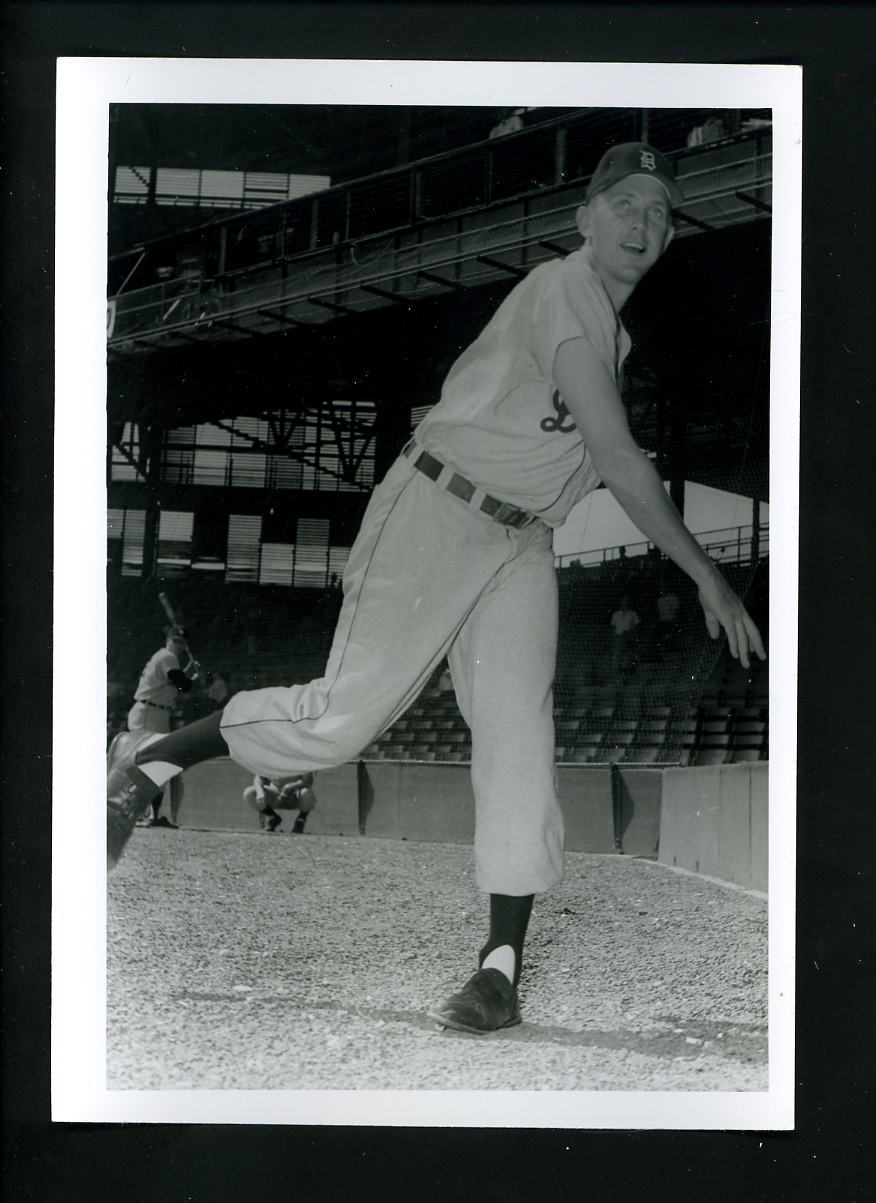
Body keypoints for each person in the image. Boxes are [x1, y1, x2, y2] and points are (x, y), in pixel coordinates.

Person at [107, 142, 765, 1034]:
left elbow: (591, 467)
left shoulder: (614, 335)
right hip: (440, 507)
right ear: (584, 218)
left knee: (519, 738)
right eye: (625, 203)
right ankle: (151, 763)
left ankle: (499, 968)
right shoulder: (563, 285)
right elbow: (615, 455)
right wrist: (706, 577)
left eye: (660, 210)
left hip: (520, 544)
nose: (644, 223)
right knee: (342, 718)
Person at [114, 625, 203, 829]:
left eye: (182, 643)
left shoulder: (165, 658)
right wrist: (194, 677)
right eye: (176, 641)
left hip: (155, 713)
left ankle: (151, 815)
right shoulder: (167, 656)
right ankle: (136, 812)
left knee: (160, 763)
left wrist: (188, 671)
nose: (179, 646)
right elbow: (183, 685)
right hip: (148, 713)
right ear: (168, 640)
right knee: (152, 762)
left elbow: (171, 683)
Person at [242, 772, 317, 834]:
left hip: (295, 794)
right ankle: (272, 817)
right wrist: (260, 791)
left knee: (307, 793)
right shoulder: (271, 757)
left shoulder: (299, 758)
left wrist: (288, 788)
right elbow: (259, 777)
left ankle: (301, 820)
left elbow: (308, 780)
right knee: (249, 793)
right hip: (274, 794)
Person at [609, 595, 641, 680]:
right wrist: (614, 638)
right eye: (624, 601)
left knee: (626, 655)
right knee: (617, 655)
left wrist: (629, 632)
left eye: (627, 601)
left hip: (628, 636)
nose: (625, 603)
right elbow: (613, 627)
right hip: (618, 637)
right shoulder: (616, 614)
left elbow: (636, 626)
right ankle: (616, 673)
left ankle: (625, 672)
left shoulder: (633, 613)